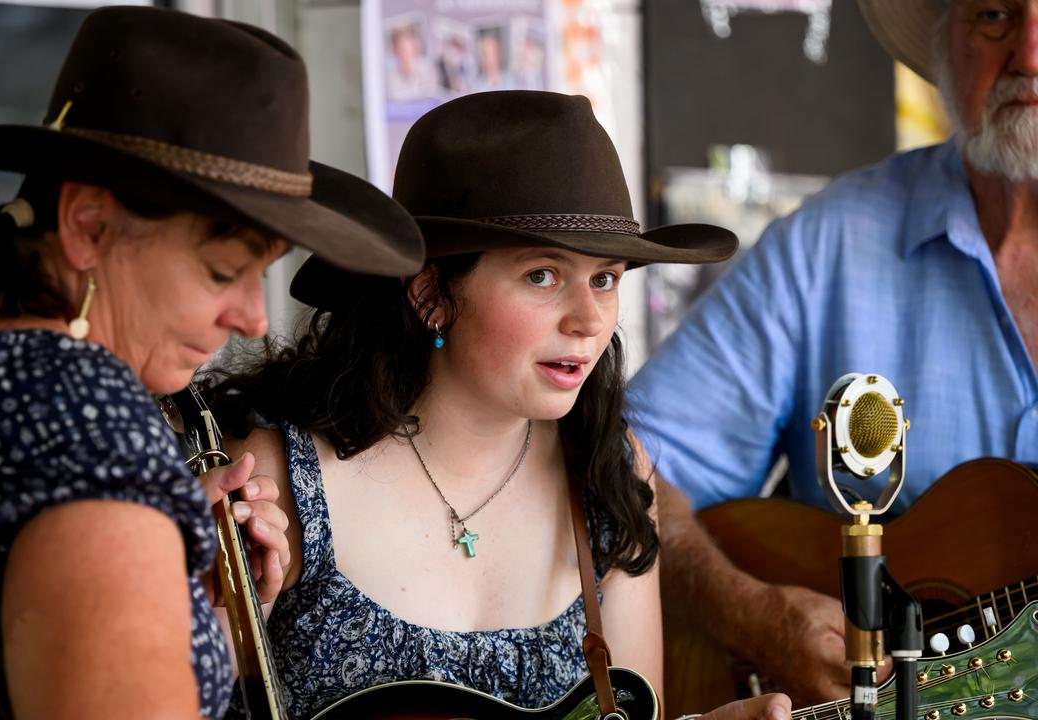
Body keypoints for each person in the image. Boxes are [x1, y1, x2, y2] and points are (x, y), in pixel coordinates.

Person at [0, 7, 423, 719]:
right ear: (88, 224)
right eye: (220, 271)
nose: (254, 317)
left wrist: (183, 604)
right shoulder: (94, 431)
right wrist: (129, 515)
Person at [207, 90, 789, 720]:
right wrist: (228, 629)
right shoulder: (275, 482)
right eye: (542, 274)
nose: (589, 320)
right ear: (430, 293)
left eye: (606, 278)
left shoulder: (608, 472)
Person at [628, 0, 1038, 707]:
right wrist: (748, 613)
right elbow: (623, 463)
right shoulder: (828, 245)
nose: (1030, 54)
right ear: (946, 48)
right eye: (995, 15)